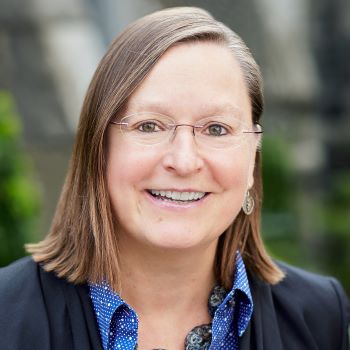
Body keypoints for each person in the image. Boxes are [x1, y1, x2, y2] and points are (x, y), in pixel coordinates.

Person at [0, 6, 349, 350]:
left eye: (216, 128)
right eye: (149, 125)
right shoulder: (6, 315)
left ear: (252, 152)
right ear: (99, 147)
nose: (183, 161)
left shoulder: (319, 317)